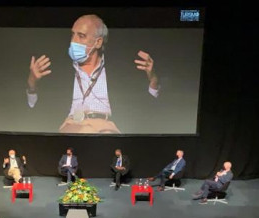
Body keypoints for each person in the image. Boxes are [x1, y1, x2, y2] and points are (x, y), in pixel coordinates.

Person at [27, 14, 160, 134]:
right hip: (71, 125)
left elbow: (145, 108)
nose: (74, 41)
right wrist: (32, 82)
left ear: (98, 42)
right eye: (72, 35)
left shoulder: (119, 72)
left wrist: (153, 79)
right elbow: (34, 109)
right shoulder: (58, 71)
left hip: (107, 127)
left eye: (81, 36)